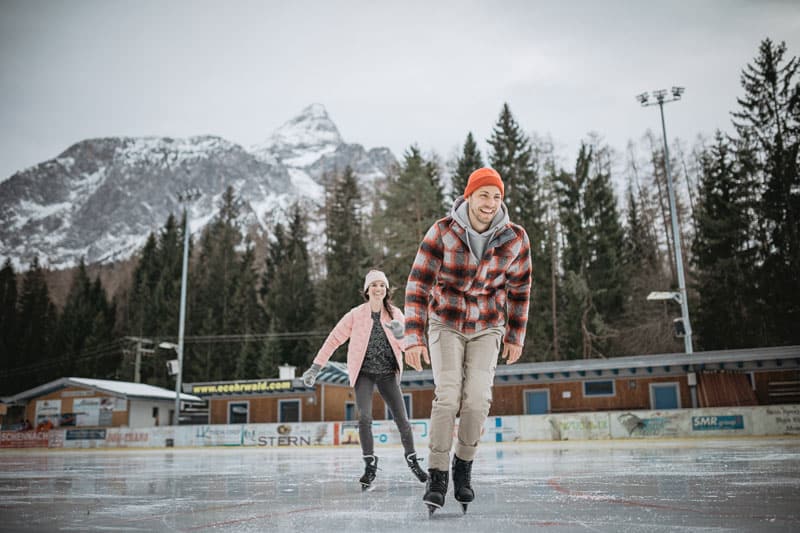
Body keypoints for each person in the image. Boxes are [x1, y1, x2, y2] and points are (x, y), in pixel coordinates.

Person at [403, 167, 532, 514]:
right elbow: (418, 285)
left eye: (497, 196)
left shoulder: (515, 238)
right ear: (469, 196)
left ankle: (463, 466)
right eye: (484, 195)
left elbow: (520, 289)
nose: (490, 203)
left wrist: (516, 335)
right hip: (445, 321)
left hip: (488, 324)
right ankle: (438, 473)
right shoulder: (443, 231)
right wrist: (413, 337)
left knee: (476, 400)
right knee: (447, 397)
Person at [302, 269, 428, 490]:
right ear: (367, 290)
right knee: (364, 418)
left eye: (381, 285)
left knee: (402, 419)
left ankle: (412, 460)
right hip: (364, 373)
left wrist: (400, 334)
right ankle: (370, 465)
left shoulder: (396, 314)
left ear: (386, 289)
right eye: (374, 285)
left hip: (388, 372)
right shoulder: (355, 315)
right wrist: (315, 368)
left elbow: (407, 347)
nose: (378, 289)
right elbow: (333, 340)